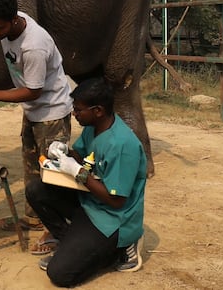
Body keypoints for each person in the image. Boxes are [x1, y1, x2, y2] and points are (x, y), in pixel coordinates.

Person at [0, 0, 72, 255]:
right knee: (31, 167)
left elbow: (34, 90)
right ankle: (34, 217)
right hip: (33, 112)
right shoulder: (4, 23)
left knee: (53, 173)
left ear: (13, 21)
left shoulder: (34, 46)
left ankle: (54, 230)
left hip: (51, 112)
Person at [27, 77, 147, 287]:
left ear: (98, 110)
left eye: (78, 110)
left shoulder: (122, 145)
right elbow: (83, 156)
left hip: (113, 219)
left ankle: (120, 247)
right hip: (90, 201)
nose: (74, 114)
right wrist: (65, 151)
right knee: (37, 190)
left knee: (60, 275)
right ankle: (70, 245)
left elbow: (115, 200)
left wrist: (78, 172)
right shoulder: (94, 127)